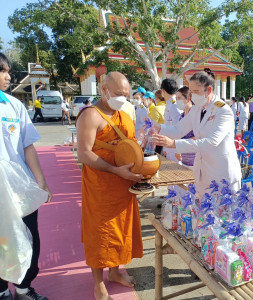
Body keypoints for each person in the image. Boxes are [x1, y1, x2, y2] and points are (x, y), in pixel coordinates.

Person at [76, 72, 144, 300]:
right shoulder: (90, 115)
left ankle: (115, 272)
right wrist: (115, 170)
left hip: (123, 186)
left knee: (120, 232)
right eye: (117, 94)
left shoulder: (123, 115)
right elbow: (84, 154)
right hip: (100, 186)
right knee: (100, 235)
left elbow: (129, 147)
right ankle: (98, 284)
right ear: (104, 89)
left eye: (125, 95)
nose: (122, 99)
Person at [0, 52, 52, 300]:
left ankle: (23, 287)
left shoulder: (13, 105)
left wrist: (40, 182)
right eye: (3, 71)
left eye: (8, 71)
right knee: (1, 240)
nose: (8, 76)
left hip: (19, 186)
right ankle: (1, 290)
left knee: (30, 236)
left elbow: (27, 146)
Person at [152, 69, 241, 197]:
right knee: (203, 212)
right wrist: (158, 127)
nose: (192, 96)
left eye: (196, 92)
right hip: (202, 171)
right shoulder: (197, 109)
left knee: (223, 214)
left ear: (209, 90)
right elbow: (179, 129)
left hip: (221, 172)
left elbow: (211, 142)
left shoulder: (222, 110)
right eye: (191, 92)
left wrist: (174, 144)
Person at [175, 86, 196, 168]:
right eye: (176, 98)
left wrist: (181, 144)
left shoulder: (195, 114)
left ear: (188, 99)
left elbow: (200, 135)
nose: (177, 101)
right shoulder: (182, 116)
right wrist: (178, 149)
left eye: (179, 98)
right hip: (184, 159)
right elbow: (179, 134)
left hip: (196, 158)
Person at [161, 78, 181, 162]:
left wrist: (178, 149)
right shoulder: (169, 104)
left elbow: (180, 128)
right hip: (169, 146)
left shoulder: (174, 105)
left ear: (163, 90)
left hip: (175, 147)